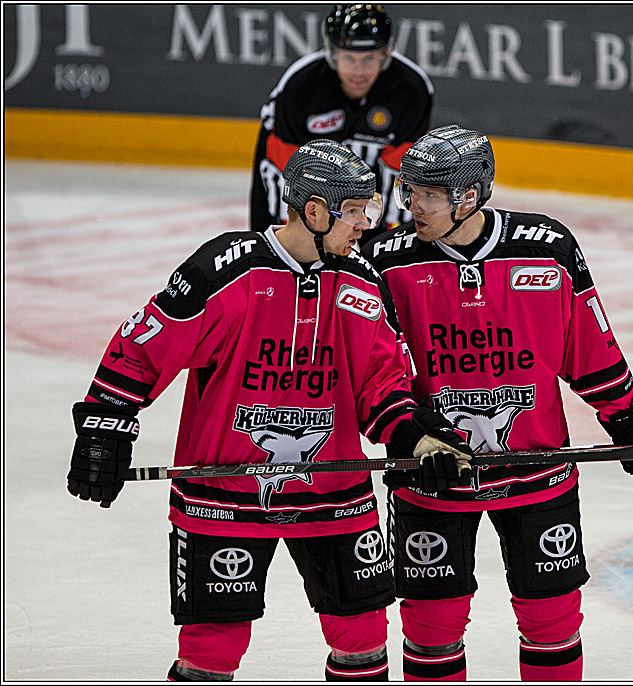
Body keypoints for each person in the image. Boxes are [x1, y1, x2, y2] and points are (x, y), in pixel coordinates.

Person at [67, 140, 473, 681]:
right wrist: (103, 430)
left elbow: (383, 384)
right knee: (211, 650)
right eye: (353, 212)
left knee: (363, 640)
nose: (365, 224)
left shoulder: (360, 282)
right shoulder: (225, 270)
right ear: (313, 212)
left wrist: (419, 439)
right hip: (224, 492)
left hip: (334, 493)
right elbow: (143, 348)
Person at [363, 125, 633, 681]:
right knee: (432, 628)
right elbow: (374, 370)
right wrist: (407, 434)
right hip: (435, 474)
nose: (412, 204)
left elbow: (588, 347)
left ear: (469, 195)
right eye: (408, 190)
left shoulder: (547, 248)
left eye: (428, 194)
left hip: (538, 471)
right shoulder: (384, 262)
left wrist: (629, 418)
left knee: (552, 621)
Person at [250, 4, 433, 243]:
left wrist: (383, 245)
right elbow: (284, 172)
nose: (359, 71)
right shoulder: (300, 87)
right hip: (299, 164)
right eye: (349, 58)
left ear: (385, 54)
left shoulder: (411, 90)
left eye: (369, 58)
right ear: (333, 54)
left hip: (373, 168)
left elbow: (400, 174)